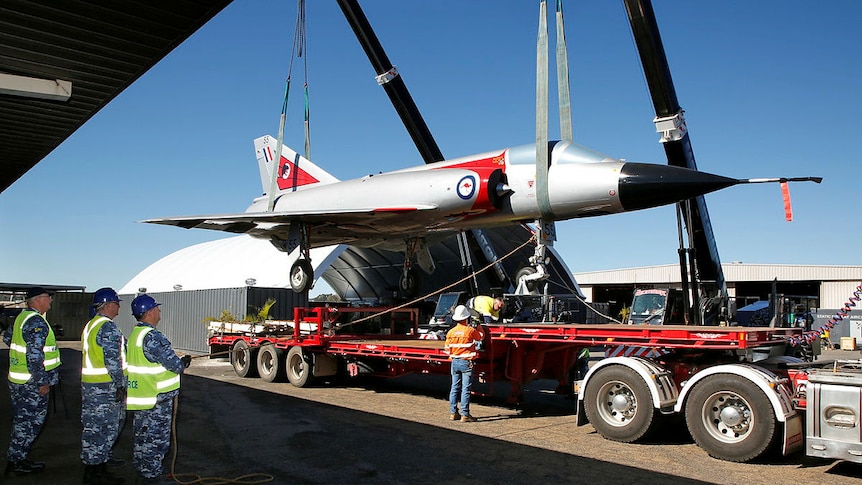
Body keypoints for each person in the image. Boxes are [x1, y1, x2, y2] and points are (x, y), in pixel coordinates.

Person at [125, 294, 191, 483]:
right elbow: (175, 366)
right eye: (157, 308)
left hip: (142, 397)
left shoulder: (136, 334)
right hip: (156, 399)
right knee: (156, 442)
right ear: (150, 312)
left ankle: (142, 471)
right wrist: (183, 362)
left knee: (142, 438)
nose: (159, 311)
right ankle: (152, 477)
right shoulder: (153, 336)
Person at [3, 287, 61, 476]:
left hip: (19, 379)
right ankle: (15, 463)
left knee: (22, 420)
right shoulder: (36, 322)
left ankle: (19, 457)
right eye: (48, 298)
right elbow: (35, 357)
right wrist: (41, 381)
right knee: (28, 423)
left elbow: (8, 337)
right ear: (38, 300)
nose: (50, 302)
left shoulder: (22, 317)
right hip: (31, 383)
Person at [81, 288, 127, 485]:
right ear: (108, 305)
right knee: (105, 429)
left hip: (92, 386)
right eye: (116, 303)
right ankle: (96, 473)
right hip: (105, 388)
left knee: (93, 428)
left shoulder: (91, 325)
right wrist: (120, 385)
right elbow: (113, 360)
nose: (118, 307)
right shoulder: (107, 327)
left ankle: (97, 465)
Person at [444, 305, 483, 423]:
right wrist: (479, 326)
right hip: (467, 363)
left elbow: (447, 349)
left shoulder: (451, 332)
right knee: (465, 389)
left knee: (454, 388)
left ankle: (453, 413)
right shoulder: (470, 330)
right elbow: (481, 337)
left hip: (455, 362)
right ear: (466, 318)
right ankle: (465, 414)